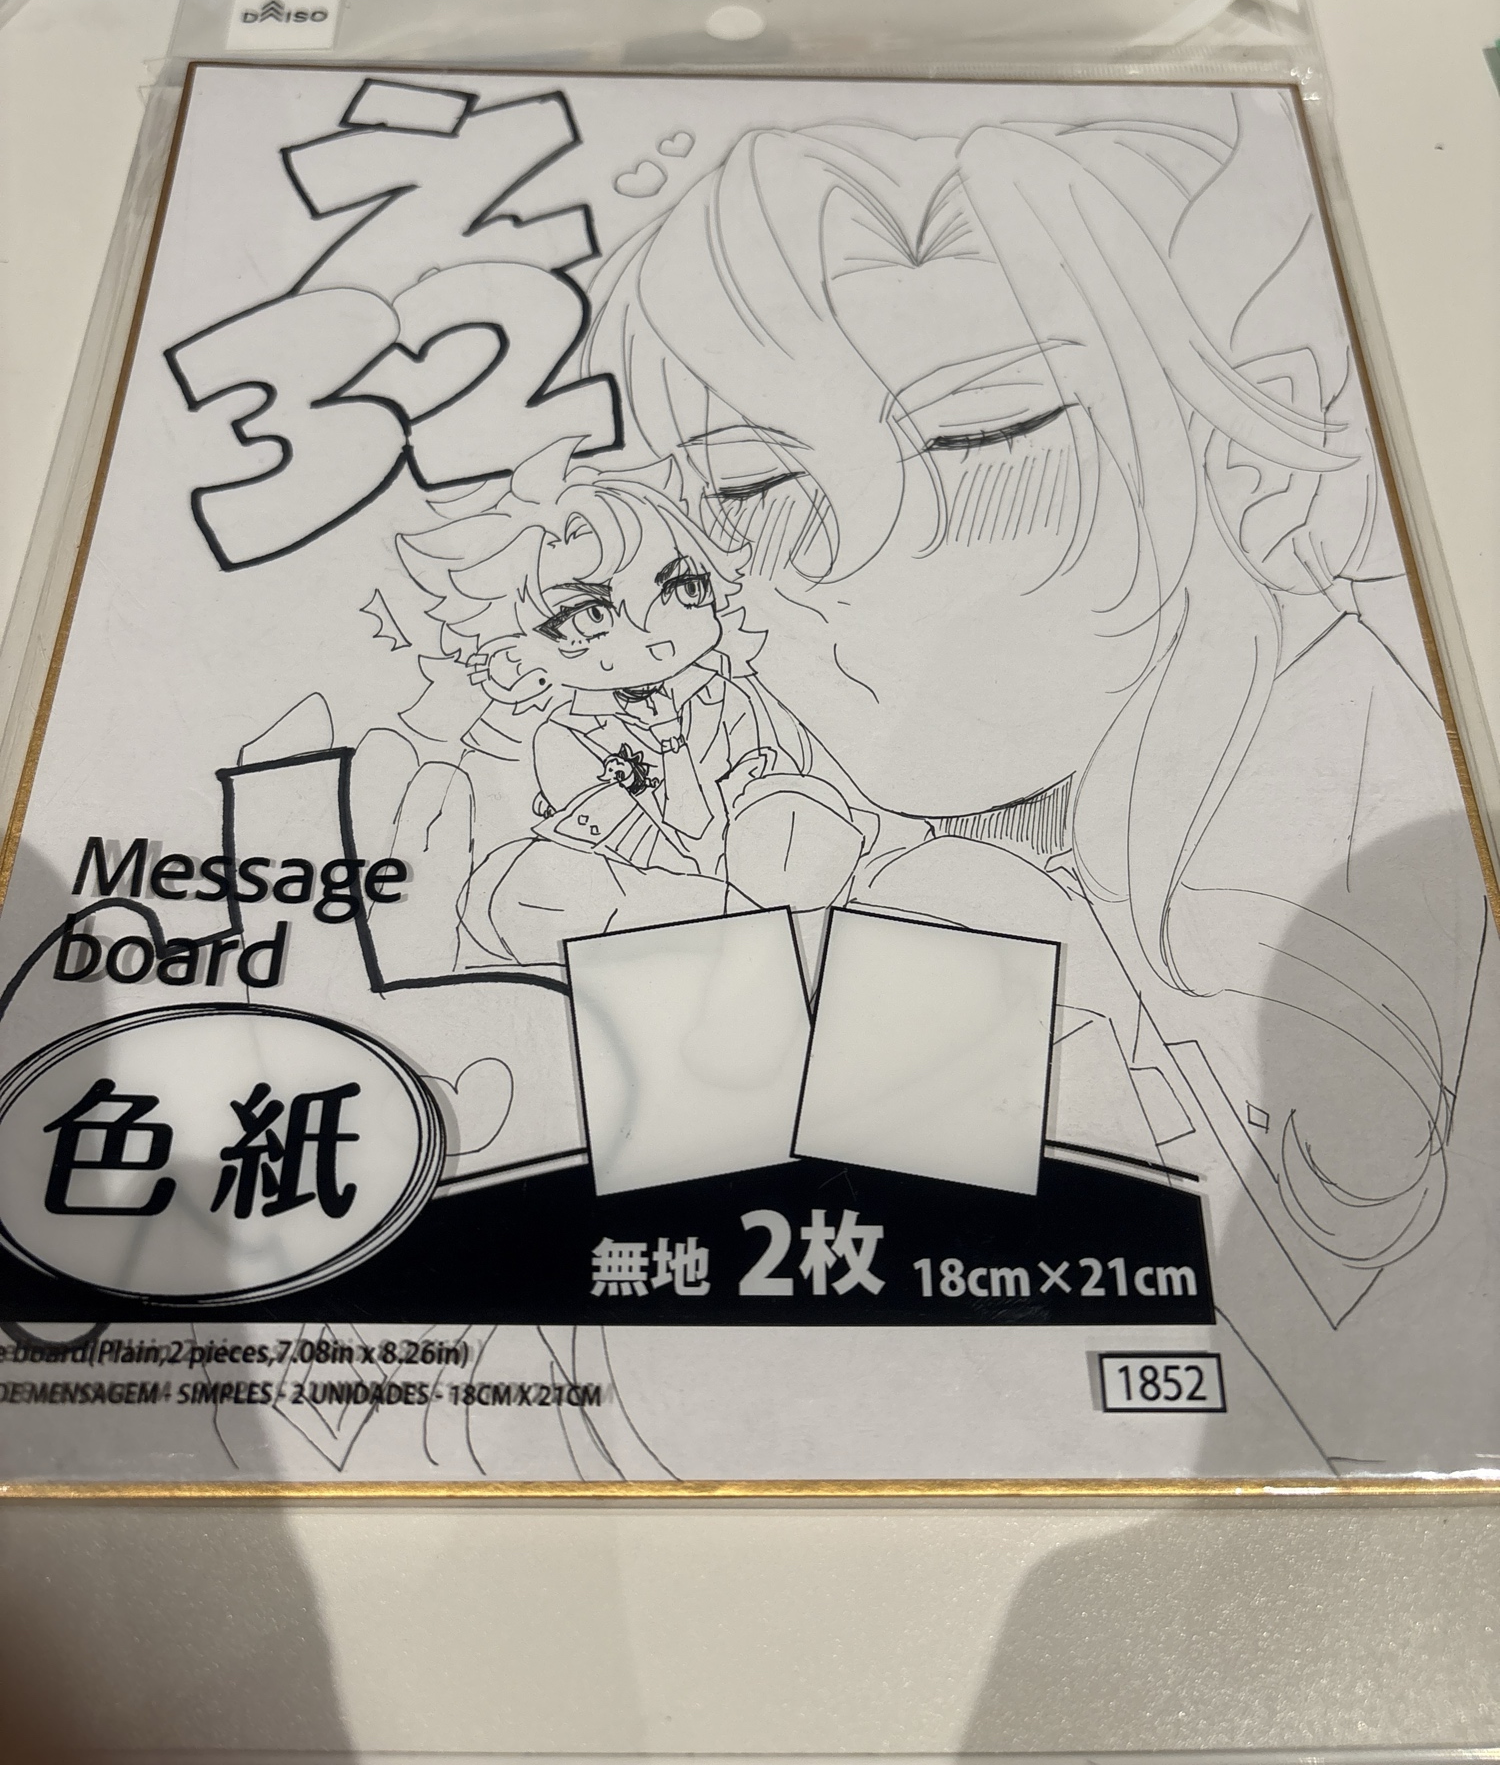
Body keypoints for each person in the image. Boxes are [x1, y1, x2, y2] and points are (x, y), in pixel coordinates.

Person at [581, 90, 1497, 1468]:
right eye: (753, 487)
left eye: (982, 440)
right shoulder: (989, 820)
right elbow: (695, 1363)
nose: (833, 573)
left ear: (1216, 429)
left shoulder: (1322, 779)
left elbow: (759, 1382)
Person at [397, 440, 870, 969]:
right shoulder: (563, 737)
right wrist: (671, 747)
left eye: (683, 588)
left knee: (797, 812)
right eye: (591, 616)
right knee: (528, 887)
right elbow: (645, 842)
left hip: (753, 884)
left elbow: (780, 796)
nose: (655, 636)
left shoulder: (725, 694)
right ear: (515, 651)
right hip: (655, 892)